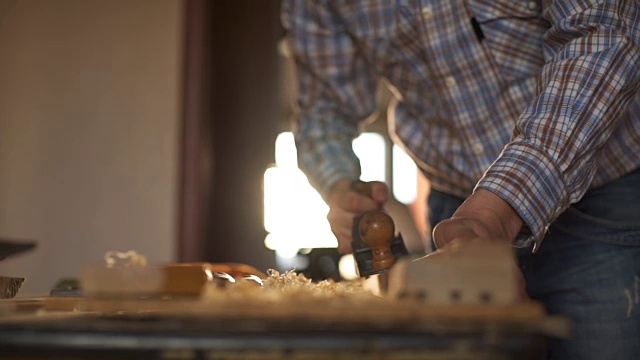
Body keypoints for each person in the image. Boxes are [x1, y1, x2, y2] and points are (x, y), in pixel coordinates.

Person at [281, 1, 640, 359]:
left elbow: (603, 37)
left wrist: (500, 209)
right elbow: (323, 107)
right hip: (456, 213)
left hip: (600, 198)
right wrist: (340, 183)